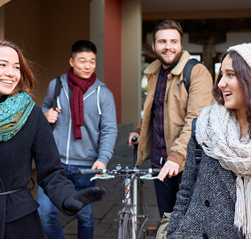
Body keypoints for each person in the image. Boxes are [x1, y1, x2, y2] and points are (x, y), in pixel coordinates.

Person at [0, 40, 106, 239]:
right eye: (2, 65)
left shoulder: (32, 115)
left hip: (18, 222)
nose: (10, 72)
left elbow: (50, 173)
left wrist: (68, 197)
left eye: (16, 67)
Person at [167, 43, 251, 239]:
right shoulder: (205, 126)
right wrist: (173, 232)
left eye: (231, 75)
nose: (220, 83)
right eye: (221, 75)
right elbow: (186, 191)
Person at [128, 20, 214, 217]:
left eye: (174, 41)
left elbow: (196, 120)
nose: (168, 47)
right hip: (160, 162)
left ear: (181, 45)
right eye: (162, 42)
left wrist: (176, 156)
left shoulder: (196, 72)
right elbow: (154, 109)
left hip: (189, 161)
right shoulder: (154, 73)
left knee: (190, 221)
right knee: (166, 220)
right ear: (154, 46)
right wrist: (139, 131)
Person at [37, 40, 117, 239]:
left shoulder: (103, 94)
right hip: (54, 165)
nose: (88, 66)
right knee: (45, 213)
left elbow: (109, 130)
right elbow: (42, 109)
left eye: (92, 61)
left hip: (85, 166)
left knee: (85, 216)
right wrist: (45, 114)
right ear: (71, 61)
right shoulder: (56, 85)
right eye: (82, 61)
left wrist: (103, 159)